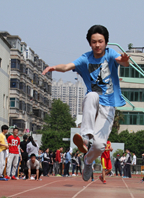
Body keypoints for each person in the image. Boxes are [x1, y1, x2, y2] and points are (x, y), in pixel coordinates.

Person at [42, 25, 130, 181]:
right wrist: (54, 68)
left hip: (108, 107)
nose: (97, 45)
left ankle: (88, 160)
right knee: (92, 95)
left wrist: (124, 61)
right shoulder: (85, 58)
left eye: (100, 41)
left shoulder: (110, 55)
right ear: (90, 43)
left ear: (106, 42)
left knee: (99, 146)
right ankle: (85, 138)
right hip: (94, 102)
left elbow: (121, 61)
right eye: (94, 42)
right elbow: (67, 66)